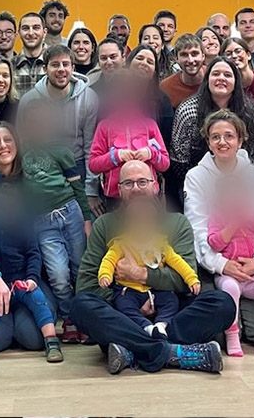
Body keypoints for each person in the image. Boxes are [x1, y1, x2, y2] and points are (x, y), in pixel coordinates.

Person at [70, 159, 232, 374]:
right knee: (81, 305)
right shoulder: (105, 224)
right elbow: (86, 284)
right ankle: (173, 353)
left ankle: (133, 350)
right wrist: (126, 298)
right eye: (128, 183)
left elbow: (186, 280)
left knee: (222, 303)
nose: (136, 188)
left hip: (171, 311)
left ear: (155, 184)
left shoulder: (177, 223)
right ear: (119, 190)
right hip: (125, 313)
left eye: (142, 182)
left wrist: (142, 275)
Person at [182, 110, 254, 357]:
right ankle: (233, 326)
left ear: (240, 140)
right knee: (216, 335)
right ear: (208, 142)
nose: (222, 142)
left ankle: (253, 323)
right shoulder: (195, 177)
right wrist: (221, 265)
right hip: (216, 264)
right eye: (215, 137)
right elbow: (197, 228)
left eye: (229, 136)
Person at [0, 122, 64, 360]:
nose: (3, 146)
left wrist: (32, 278)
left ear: (17, 144)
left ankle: (19, 317)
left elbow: (36, 243)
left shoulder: (31, 181)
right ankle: (6, 318)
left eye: (7, 140)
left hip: (27, 275)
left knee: (33, 338)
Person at [16, 98, 94, 343]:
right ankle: (69, 317)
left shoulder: (62, 151)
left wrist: (87, 219)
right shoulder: (21, 153)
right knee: (58, 274)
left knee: (80, 268)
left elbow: (78, 187)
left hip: (70, 213)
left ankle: (85, 318)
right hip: (42, 221)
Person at [0, 181, 63, 366]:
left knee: (38, 300)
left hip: (22, 283)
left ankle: (51, 341)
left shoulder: (23, 230)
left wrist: (32, 279)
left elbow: (34, 255)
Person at [97, 195, 201, 334]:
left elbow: (178, 262)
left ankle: (161, 325)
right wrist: (105, 275)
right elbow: (108, 260)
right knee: (122, 305)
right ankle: (145, 327)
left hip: (156, 289)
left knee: (171, 301)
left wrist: (191, 279)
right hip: (129, 290)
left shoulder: (161, 244)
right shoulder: (121, 244)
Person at [170, 57, 254, 207]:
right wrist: (201, 180)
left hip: (241, 182)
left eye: (227, 75)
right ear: (207, 80)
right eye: (215, 74)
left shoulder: (250, 112)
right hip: (198, 183)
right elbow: (179, 160)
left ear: (236, 81)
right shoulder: (188, 111)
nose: (221, 78)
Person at [88, 70, 170, 206]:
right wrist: (115, 156)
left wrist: (150, 153)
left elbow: (165, 163)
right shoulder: (104, 126)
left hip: (148, 195)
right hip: (116, 198)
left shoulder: (149, 125)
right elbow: (93, 164)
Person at [18, 44, 99, 181]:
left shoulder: (89, 97)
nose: (61, 69)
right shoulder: (29, 100)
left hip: (76, 162)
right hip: (41, 165)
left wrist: (91, 187)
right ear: (45, 69)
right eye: (55, 65)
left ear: (73, 68)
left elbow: (89, 146)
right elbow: (23, 143)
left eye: (65, 64)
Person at [160, 33, 205, 109]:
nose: (190, 60)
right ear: (176, 58)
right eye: (184, 55)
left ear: (203, 56)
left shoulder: (214, 77)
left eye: (194, 54)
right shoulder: (165, 87)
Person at [13, 12, 47, 95]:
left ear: (44, 32)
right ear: (19, 33)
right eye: (25, 28)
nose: (31, 33)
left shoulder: (55, 63)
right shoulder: (10, 66)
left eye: (36, 28)